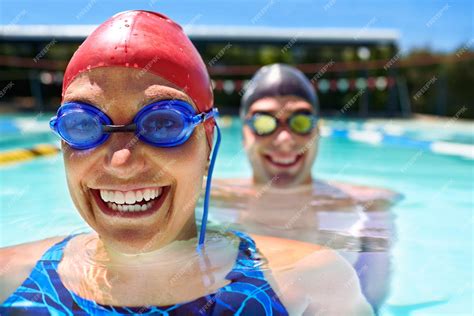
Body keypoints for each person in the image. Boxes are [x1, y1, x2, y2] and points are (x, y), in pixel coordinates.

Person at [0, 11, 373, 315]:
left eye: (163, 123)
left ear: (208, 142)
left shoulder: (312, 283)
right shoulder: (7, 280)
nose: (120, 162)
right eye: (83, 125)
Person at [211, 64, 402, 313]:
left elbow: (373, 302)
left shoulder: (368, 203)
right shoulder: (208, 196)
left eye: (300, 122)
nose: (284, 140)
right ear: (244, 133)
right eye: (264, 122)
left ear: (318, 130)